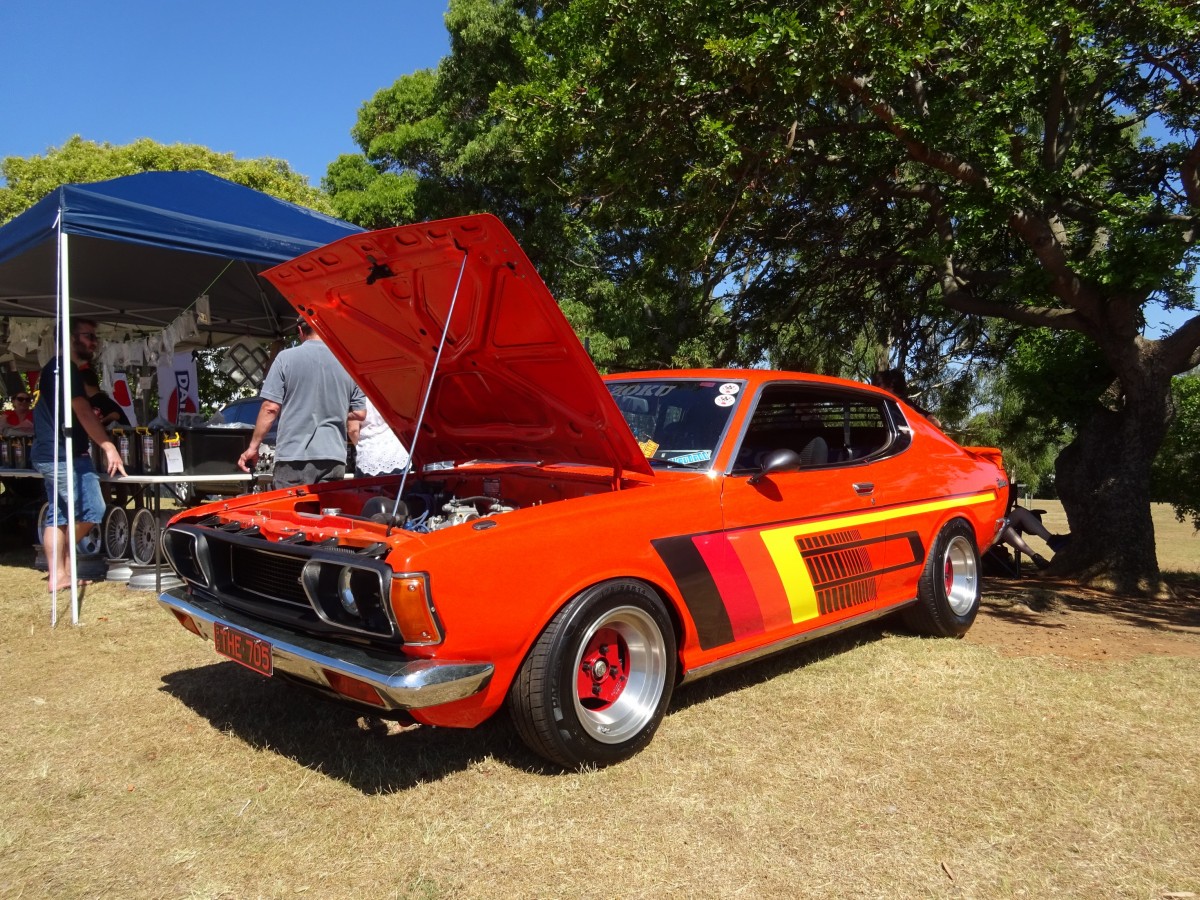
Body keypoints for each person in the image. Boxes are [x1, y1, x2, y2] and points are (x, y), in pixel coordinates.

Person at [31, 318, 128, 592]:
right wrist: (108, 446)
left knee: (60, 515)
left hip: (53, 452)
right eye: (88, 336)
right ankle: (61, 567)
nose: (94, 342)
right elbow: (83, 411)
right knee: (92, 509)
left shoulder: (55, 368)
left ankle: (59, 575)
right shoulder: (65, 368)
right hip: (63, 454)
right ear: (69, 337)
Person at [238, 316, 365, 488]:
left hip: (293, 457)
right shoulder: (348, 363)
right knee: (326, 506)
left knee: (291, 506)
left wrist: (253, 447)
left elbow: (270, 408)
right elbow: (360, 413)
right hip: (333, 457)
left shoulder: (285, 358)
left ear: (300, 330)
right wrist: (334, 411)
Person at [351, 396, 410, 478]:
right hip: (396, 453)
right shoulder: (390, 393)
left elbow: (353, 430)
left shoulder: (357, 396)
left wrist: (357, 447)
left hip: (368, 454)